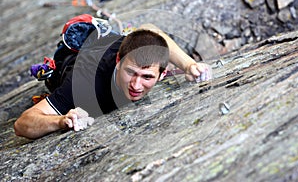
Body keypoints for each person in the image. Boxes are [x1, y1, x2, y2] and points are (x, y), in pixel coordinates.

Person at [14, 23, 212, 139]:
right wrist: (60, 121)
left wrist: (189, 65)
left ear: (162, 74)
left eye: (147, 77)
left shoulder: (140, 49)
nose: (136, 85)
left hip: (107, 44)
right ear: (119, 60)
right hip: (75, 63)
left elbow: (149, 29)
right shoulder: (82, 84)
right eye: (130, 72)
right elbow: (22, 124)